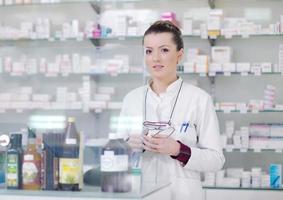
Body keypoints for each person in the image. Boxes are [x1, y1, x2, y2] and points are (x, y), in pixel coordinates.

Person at [117, 20, 225, 200]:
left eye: (164, 50)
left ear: (179, 55)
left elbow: (216, 160)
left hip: (183, 194)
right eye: (149, 51)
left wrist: (178, 149)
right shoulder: (131, 99)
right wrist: (129, 146)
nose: (155, 58)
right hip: (140, 194)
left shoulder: (199, 99)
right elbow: (115, 152)